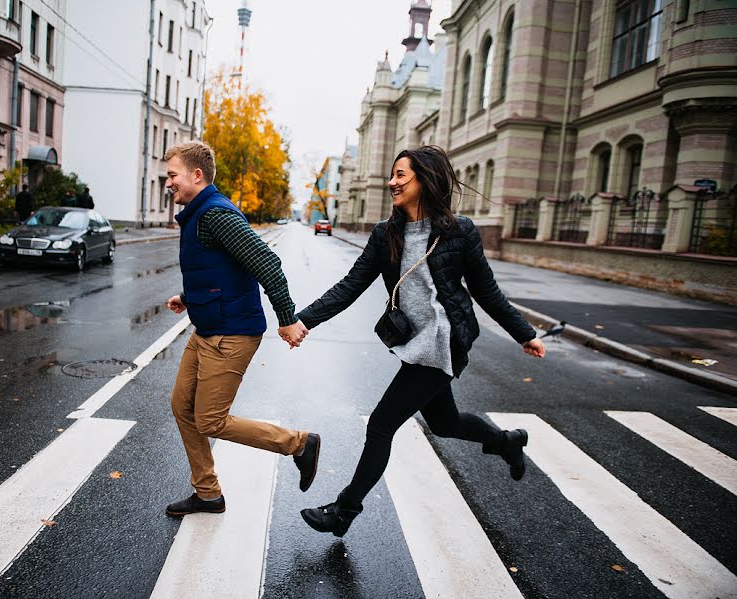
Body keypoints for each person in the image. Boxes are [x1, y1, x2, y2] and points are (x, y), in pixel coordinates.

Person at [293, 145, 546, 537]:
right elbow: (350, 286)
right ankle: (506, 441)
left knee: (380, 425)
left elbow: (487, 291)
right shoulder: (386, 233)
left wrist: (524, 333)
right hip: (416, 343)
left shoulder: (459, 232)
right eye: (392, 175)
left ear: (424, 180)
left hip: (444, 343)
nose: (392, 182)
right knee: (445, 424)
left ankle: (344, 511)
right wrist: (304, 319)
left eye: (401, 175)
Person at [162, 141, 319, 517]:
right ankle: (208, 493)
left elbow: (265, 262)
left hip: (230, 334)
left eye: (172, 175)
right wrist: (189, 296)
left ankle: (298, 444)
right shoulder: (200, 215)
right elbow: (222, 268)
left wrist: (286, 318)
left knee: (211, 419)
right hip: (207, 328)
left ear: (196, 175)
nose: (168, 183)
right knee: (181, 406)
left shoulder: (216, 214)